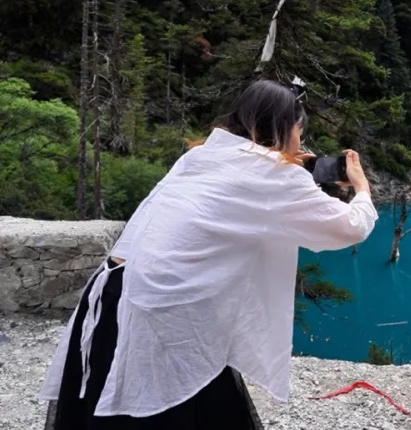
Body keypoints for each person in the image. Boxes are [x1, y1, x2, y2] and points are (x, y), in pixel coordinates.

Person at [40, 79, 378, 429]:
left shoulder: (201, 156)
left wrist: (292, 167)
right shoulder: (276, 177)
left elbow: (240, 185)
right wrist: (361, 186)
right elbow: (351, 226)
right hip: (163, 311)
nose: (299, 142)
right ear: (284, 129)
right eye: (299, 132)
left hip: (109, 295)